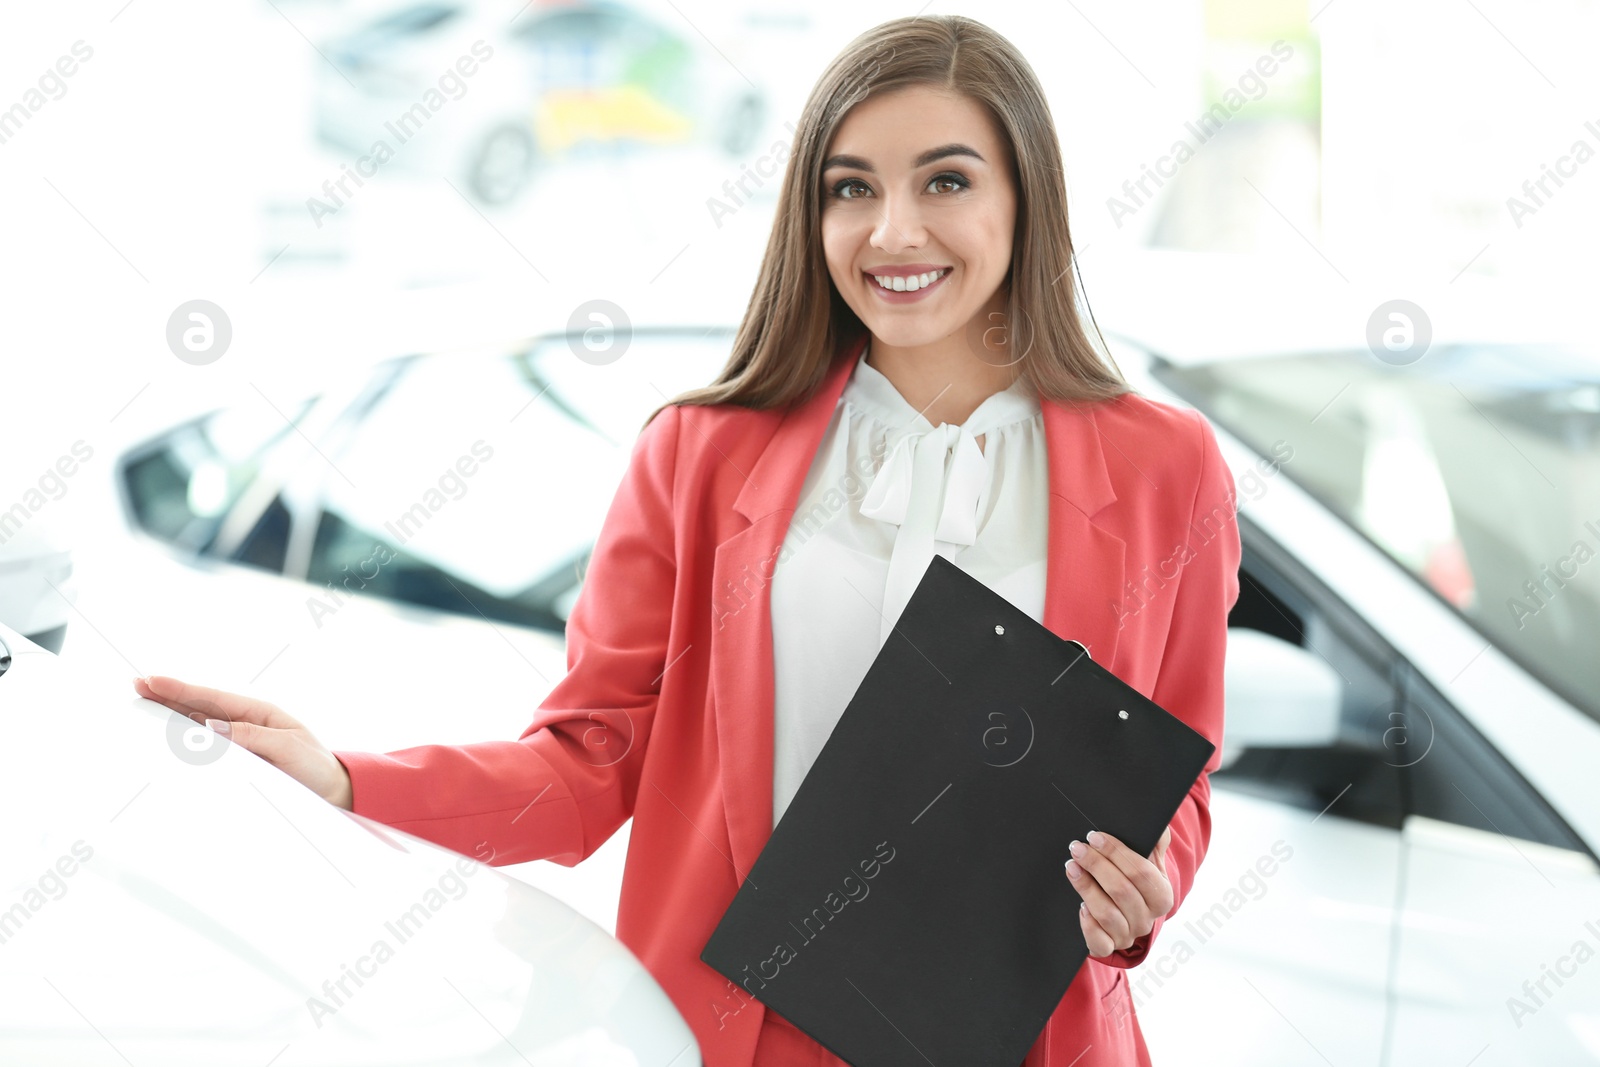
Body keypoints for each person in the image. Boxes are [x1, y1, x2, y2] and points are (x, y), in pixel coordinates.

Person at [133, 14, 1240, 1066]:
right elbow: (585, 763)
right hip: (733, 1036)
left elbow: (1170, 774)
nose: (890, 232)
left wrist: (1145, 890)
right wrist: (343, 778)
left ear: (1026, 197)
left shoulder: (1165, 469)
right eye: (848, 189)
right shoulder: (699, 453)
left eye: (945, 180)